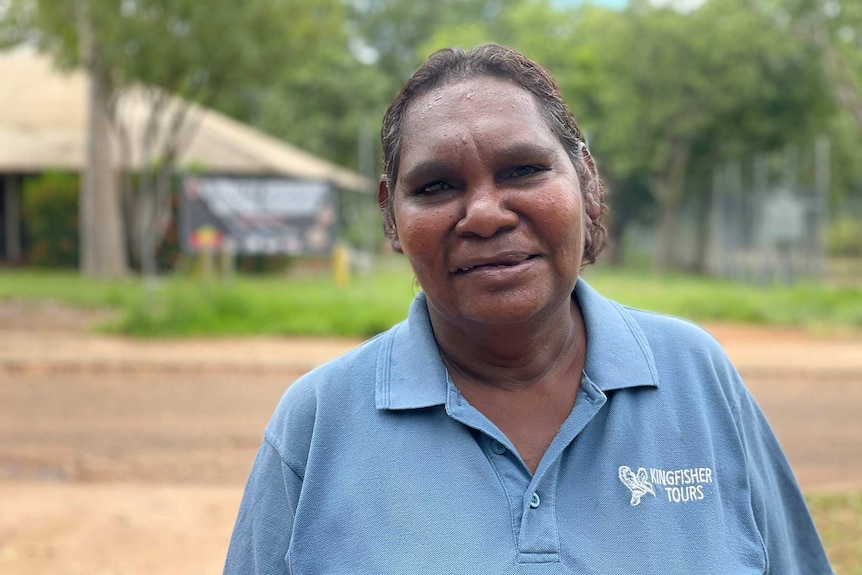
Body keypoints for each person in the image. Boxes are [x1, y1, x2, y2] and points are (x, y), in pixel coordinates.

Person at [224, 44, 833, 574]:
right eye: (436, 186)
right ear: (390, 214)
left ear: (587, 181)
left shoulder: (695, 377)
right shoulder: (318, 423)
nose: (485, 213)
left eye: (523, 169)